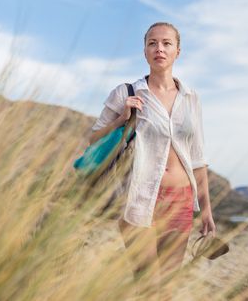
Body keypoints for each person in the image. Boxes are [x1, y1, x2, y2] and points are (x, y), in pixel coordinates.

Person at [89, 22, 216, 300]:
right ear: (145, 51)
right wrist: (122, 119)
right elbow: (93, 138)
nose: (159, 48)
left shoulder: (191, 98)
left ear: (177, 51)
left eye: (166, 43)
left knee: (168, 288)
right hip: (139, 196)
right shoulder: (126, 93)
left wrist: (206, 210)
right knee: (147, 285)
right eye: (152, 43)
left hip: (181, 199)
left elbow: (198, 159)